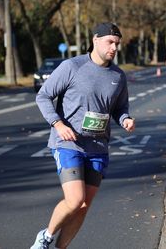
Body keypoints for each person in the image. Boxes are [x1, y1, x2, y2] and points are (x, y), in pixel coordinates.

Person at [31, 22, 135, 249]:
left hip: (98, 146)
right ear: (95, 39)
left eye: (117, 43)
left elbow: (120, 108)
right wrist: (58, 124)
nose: (114, 48)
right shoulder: (72, 66)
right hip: (69, 143)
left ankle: (60, 247)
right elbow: (43, 96)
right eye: (110, 42)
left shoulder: (118, 76)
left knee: (84, 206)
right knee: (75, 199)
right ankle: (45, 237)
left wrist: (125, 119)